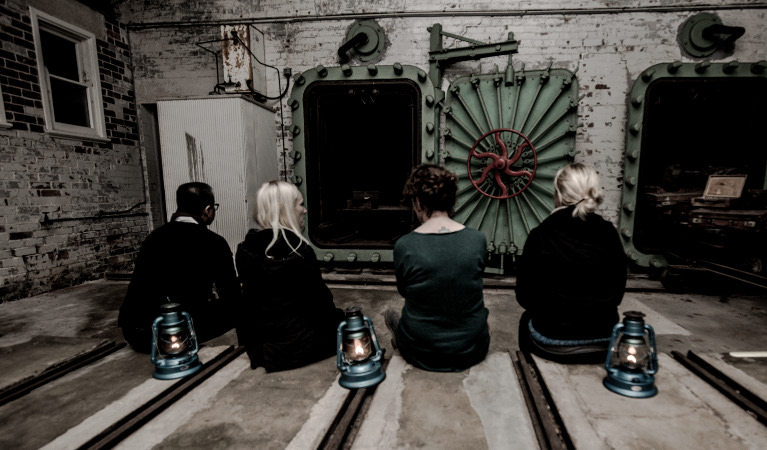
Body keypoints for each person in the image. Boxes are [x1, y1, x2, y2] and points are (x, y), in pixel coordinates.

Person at [515, 163, 627, 363]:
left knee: (526, 320)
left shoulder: (540, 235)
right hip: (603, 339)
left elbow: (524, 297)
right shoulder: (609, 233)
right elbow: (617, 292)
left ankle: (531, 366)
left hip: (552, 340)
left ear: (557, 194)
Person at [385, 164, 491, 372]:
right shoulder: (477, 240)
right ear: (451, 201)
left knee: (395, 316)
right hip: (470, 350)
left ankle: (398, 334)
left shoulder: (405, 245)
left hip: (420, 351)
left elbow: (404, 291)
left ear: (418, 202)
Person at [235, 180, 345, 372]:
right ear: (286, 210)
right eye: (300, 204)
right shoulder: (300, 251)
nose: (305, 211)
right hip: (298, 349)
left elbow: (247, 307)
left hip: (261, 350)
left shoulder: (246, 250)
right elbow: (321, 305)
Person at [118, 182, 241, 354]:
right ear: (207, 210)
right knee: (235, 308)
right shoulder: (213, 242)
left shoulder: (153, 238)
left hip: (136, 333)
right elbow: (231, 296)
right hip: (176, 335)